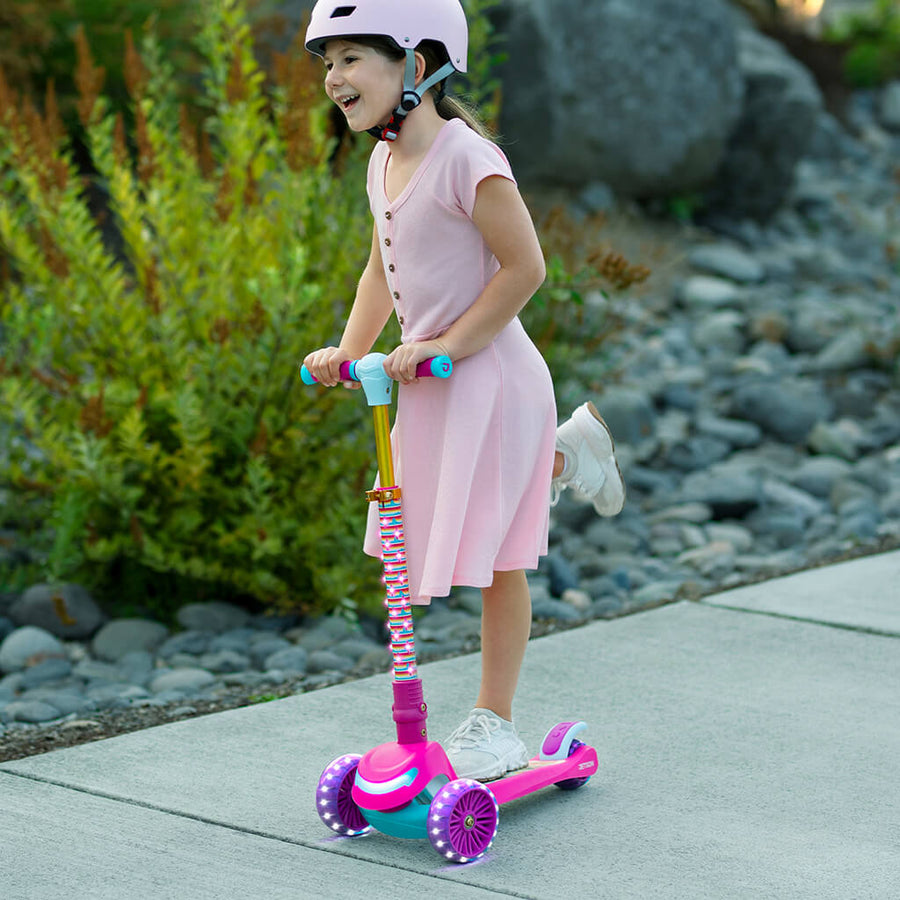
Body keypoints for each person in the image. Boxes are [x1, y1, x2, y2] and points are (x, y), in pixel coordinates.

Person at [302, 0, 625, 781]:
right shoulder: (383, 162)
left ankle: (495, 722)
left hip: (493, 376)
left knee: (496, 553)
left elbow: (526, 269)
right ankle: (567, 453)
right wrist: (349, 352)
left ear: (416, 67)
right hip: (432, 385)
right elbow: (381, 267)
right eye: (327, 62)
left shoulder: (467, 159)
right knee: (462, 513)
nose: (334, 77)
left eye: (351, 58)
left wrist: (448, 343)